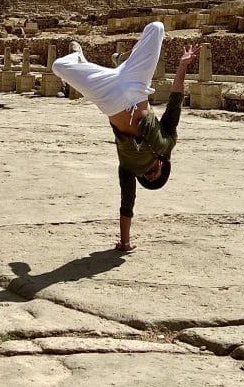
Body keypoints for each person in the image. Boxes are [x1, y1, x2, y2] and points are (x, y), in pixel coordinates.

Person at [52, 22, 200, 252]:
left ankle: (78, 57)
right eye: (156, 177)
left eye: (148, 180)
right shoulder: (168, 143)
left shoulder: (128, 168)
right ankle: (123, 58)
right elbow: (176, 100)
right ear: (163, 166)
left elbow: (127, 204)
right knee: (157, 27)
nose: (150, 176)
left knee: (59, 66)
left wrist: (125, 242)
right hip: (136, 85)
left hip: (109, 99)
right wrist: (183, 65)